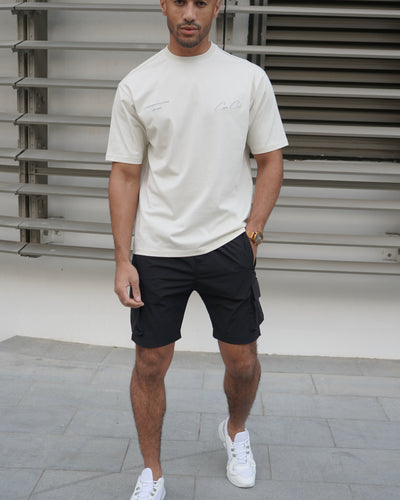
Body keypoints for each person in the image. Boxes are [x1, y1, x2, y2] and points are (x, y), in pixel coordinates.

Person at [106, 0, 288, 498]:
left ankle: (236, 431)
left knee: (242, 360)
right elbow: (125, 174)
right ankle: (152, 472)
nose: (190, 13)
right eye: (180, 1)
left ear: (217, 7)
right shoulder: (138, 84)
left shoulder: (247, 79)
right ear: (164, 5)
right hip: (157, 249)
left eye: (201, 2)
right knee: (150, 364)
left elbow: (271, 160)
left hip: (227, 244)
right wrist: (122, 259)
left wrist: (253, 232)